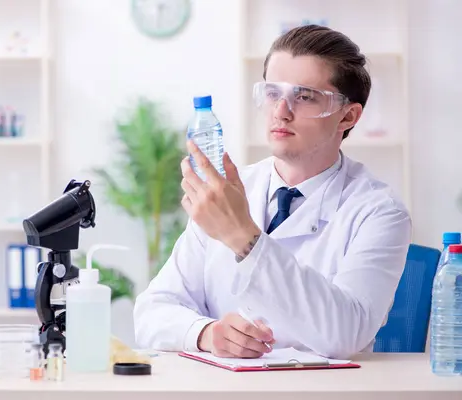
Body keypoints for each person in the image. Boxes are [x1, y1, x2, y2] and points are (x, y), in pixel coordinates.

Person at [133, 24, 412, 360]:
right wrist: (206, 333)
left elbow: (346, 333)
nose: (281, 111)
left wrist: (244, 238)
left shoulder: (379, 211)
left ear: (348, 116)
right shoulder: (228, 192)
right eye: (272, 93)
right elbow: (152, 311)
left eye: (304, 96)